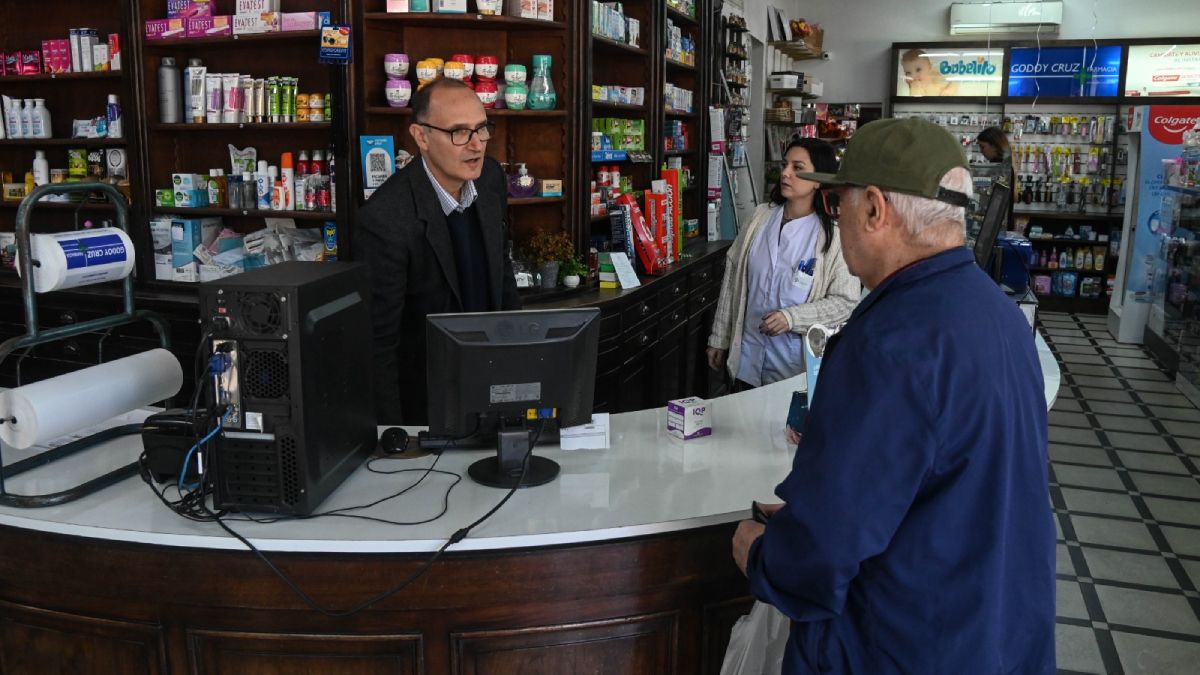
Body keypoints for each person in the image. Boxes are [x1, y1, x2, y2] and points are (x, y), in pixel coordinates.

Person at [731, 118, 1054, 673]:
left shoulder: (888, 342)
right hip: (993, 634)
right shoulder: (997, 314)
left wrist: (762, 553)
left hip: (897, 643)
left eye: (841, 204)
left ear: (875, 209)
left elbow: (822, 555)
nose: (837, 219)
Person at [355, 77, 521, 425]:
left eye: (482, 129)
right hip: (426, 409)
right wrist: (393, 436)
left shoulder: (489, 178)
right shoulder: (385, 219)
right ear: (421, 137)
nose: (476, 145)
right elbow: (377, 346)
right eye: (459, 132)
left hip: (492, 391)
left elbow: (502, 278)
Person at [706, 138, 860, 394]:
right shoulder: (760, 218)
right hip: (747, 357)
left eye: (798, 168)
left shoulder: (834, 235)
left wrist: (792, 318)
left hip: (795, 368)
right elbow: (732, 279)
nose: (786, 173)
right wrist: (719, 338)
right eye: (785, 164)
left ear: (819, 179)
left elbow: (845, 302)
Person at [977, 126, 1016, 230]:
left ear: (994, 146)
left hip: (996, 227)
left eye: (983, 147)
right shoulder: (1002, 166)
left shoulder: (1001, 169)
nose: (981, 151)